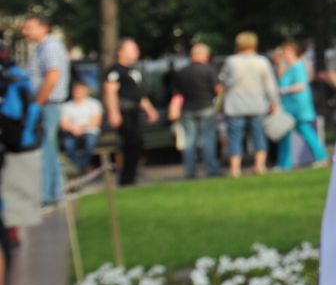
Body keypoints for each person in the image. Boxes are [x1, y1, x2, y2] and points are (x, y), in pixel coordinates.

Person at [19, 14, 66, 212]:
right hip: (44, 103)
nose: (25, 32)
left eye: (29, 27)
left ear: (44, 27)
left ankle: (49, 193)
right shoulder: (41, 48)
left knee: (47, 146)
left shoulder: (50, 47)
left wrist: (38, 102)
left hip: (48, 103)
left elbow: (53, 76)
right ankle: (54, 192)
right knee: (48, 147)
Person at [219, 31, 281, 177]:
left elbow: (224, 81)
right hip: (257, 103)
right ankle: (259, 165)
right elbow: (270, 85)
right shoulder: (262, 61)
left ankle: (235, 169)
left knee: (235, 136)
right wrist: (274, 101)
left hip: (236, 104)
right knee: (259, 134)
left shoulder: (231, 61)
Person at [103, 38, 160, 187]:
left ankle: (131, 176)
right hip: (124, 112)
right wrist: (114, 113)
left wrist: (150, 110)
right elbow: (110, 92)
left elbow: (139, 95)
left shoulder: (134, 71)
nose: (137, 52)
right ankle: (125, 179)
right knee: (130, 143)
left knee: (137, 143)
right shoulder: (115, 70)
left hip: (135, 112)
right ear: (121, 52)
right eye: (133, 49)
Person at [168, 43, 221, 179]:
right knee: (208, 139)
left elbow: (177, 94)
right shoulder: (209, 70)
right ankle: (211, 169)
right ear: (204, 55)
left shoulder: (182, 72)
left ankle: (190, 170)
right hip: (206, 107)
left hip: (188, 109)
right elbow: (217, 90)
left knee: (189, 141)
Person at [274, 40, 328, 169]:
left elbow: (301, 85)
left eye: (286, 52)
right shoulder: (289, 68)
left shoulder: (298, 67)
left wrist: (284, 90)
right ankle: (284, 163)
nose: (284, 54)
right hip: (290, 105)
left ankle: (321, 156)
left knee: (304, 130)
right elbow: (280, 79)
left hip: (298, 105)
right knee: (287, 134)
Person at [58, 80, 104, 178]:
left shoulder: (94, 104)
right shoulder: (66, 106)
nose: (76, 92)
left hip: (90, 132)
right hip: (72, 132)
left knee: (89, 142)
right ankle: (82, 168)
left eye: (79, 90)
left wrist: (81, 128)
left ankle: (79, 168)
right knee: (68, 144)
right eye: (75, 90)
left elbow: (96, 122)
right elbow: (63, 123)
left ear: (86, 91)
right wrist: (73, 129)